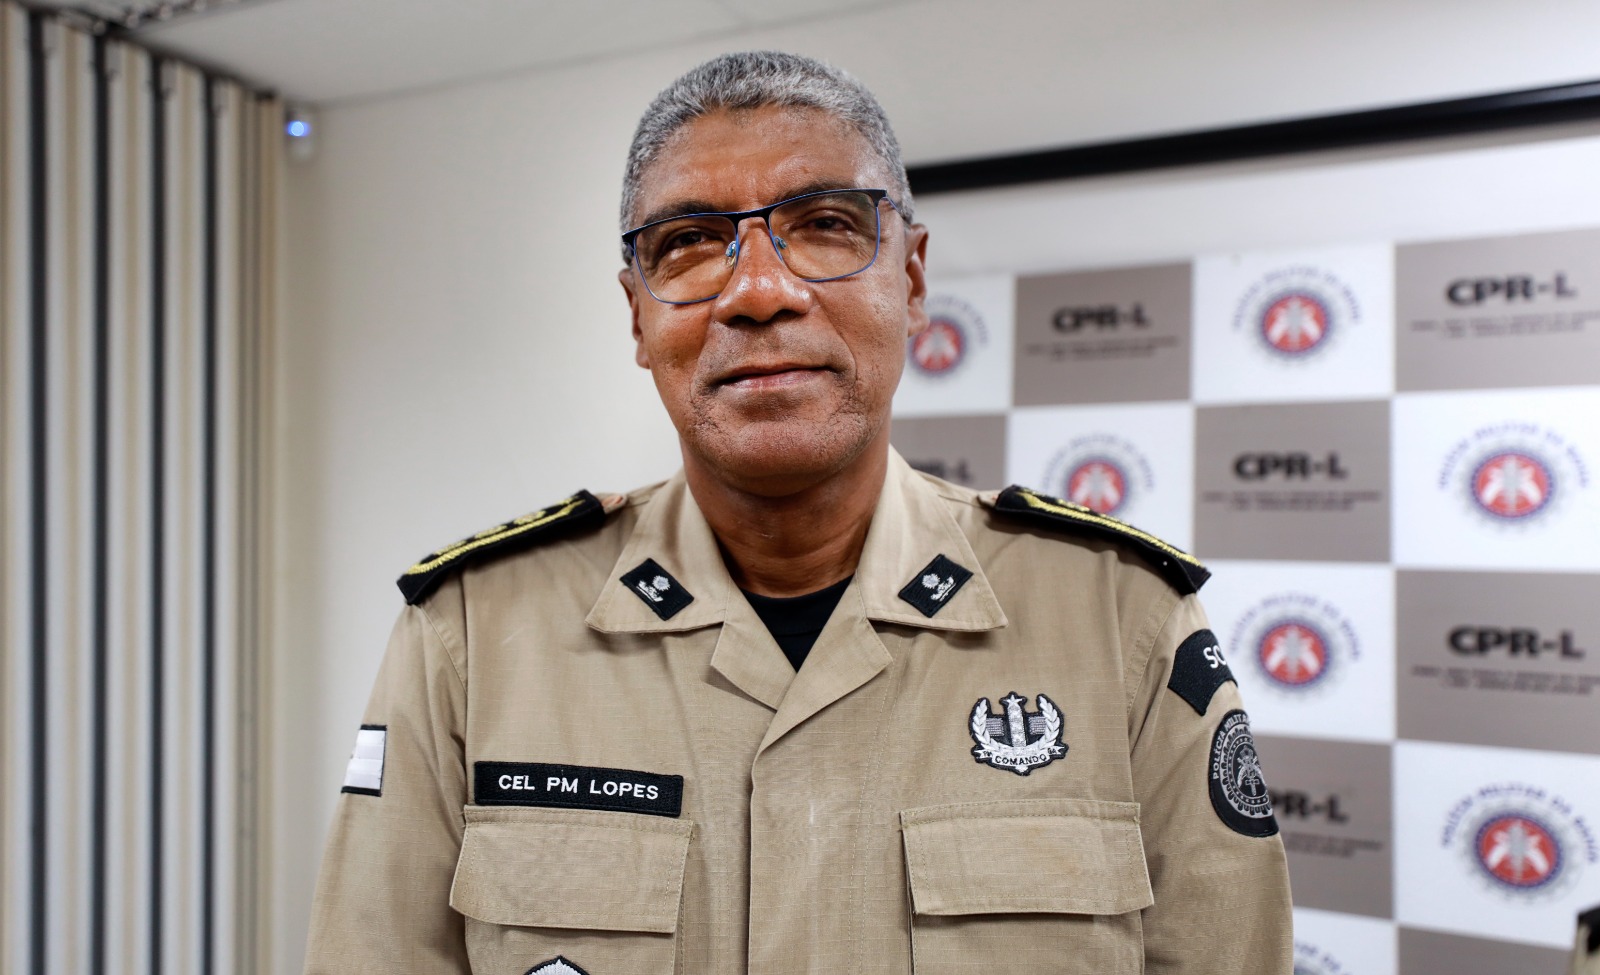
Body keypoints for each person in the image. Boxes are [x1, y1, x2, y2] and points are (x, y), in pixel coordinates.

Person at [303, 51, 1292, 975]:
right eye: (689, 243)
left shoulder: (1121, 620)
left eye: (824, 224)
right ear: (638, 314)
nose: (759, 291)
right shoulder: (471, 635)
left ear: (911, 278)